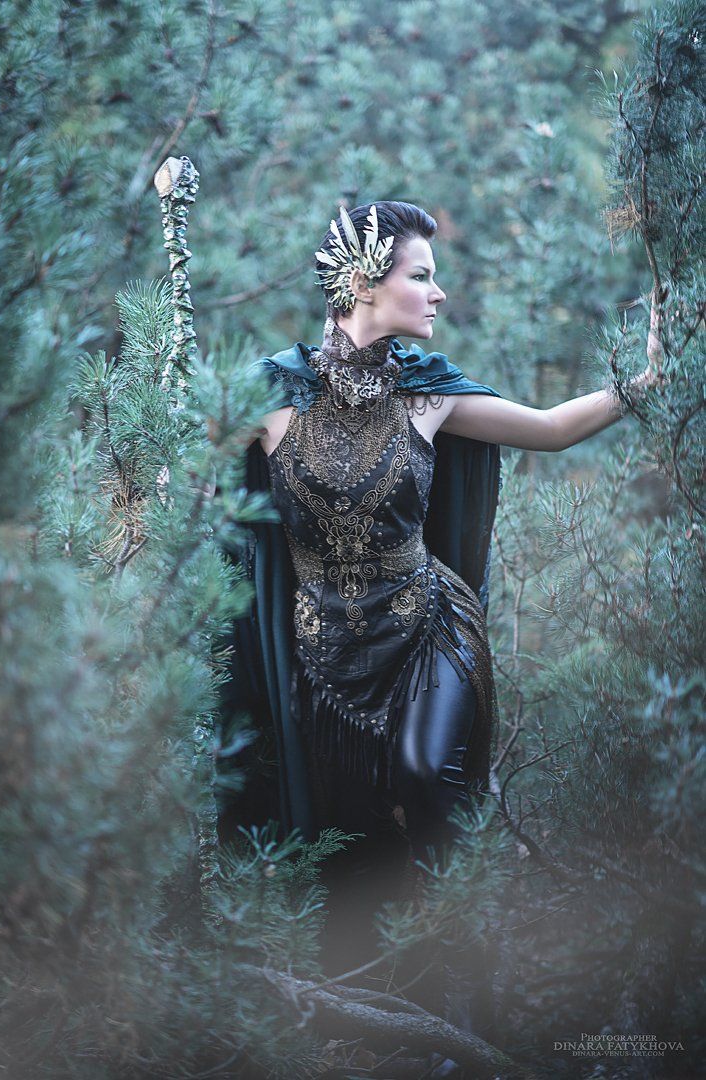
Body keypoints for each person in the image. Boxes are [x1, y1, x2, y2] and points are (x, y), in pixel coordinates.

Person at [218, 200, 662, 1030]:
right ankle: (386, 1017)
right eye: (421, 276)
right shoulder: (275, 393)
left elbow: (551, 429)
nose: (439, 292)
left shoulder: (428, 392)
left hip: (428, 632)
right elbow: (184, 467)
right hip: (324, 661)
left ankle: (471, 1002)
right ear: (363, 283)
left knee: (428, 782)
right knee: (354, 842)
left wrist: (644, 384)